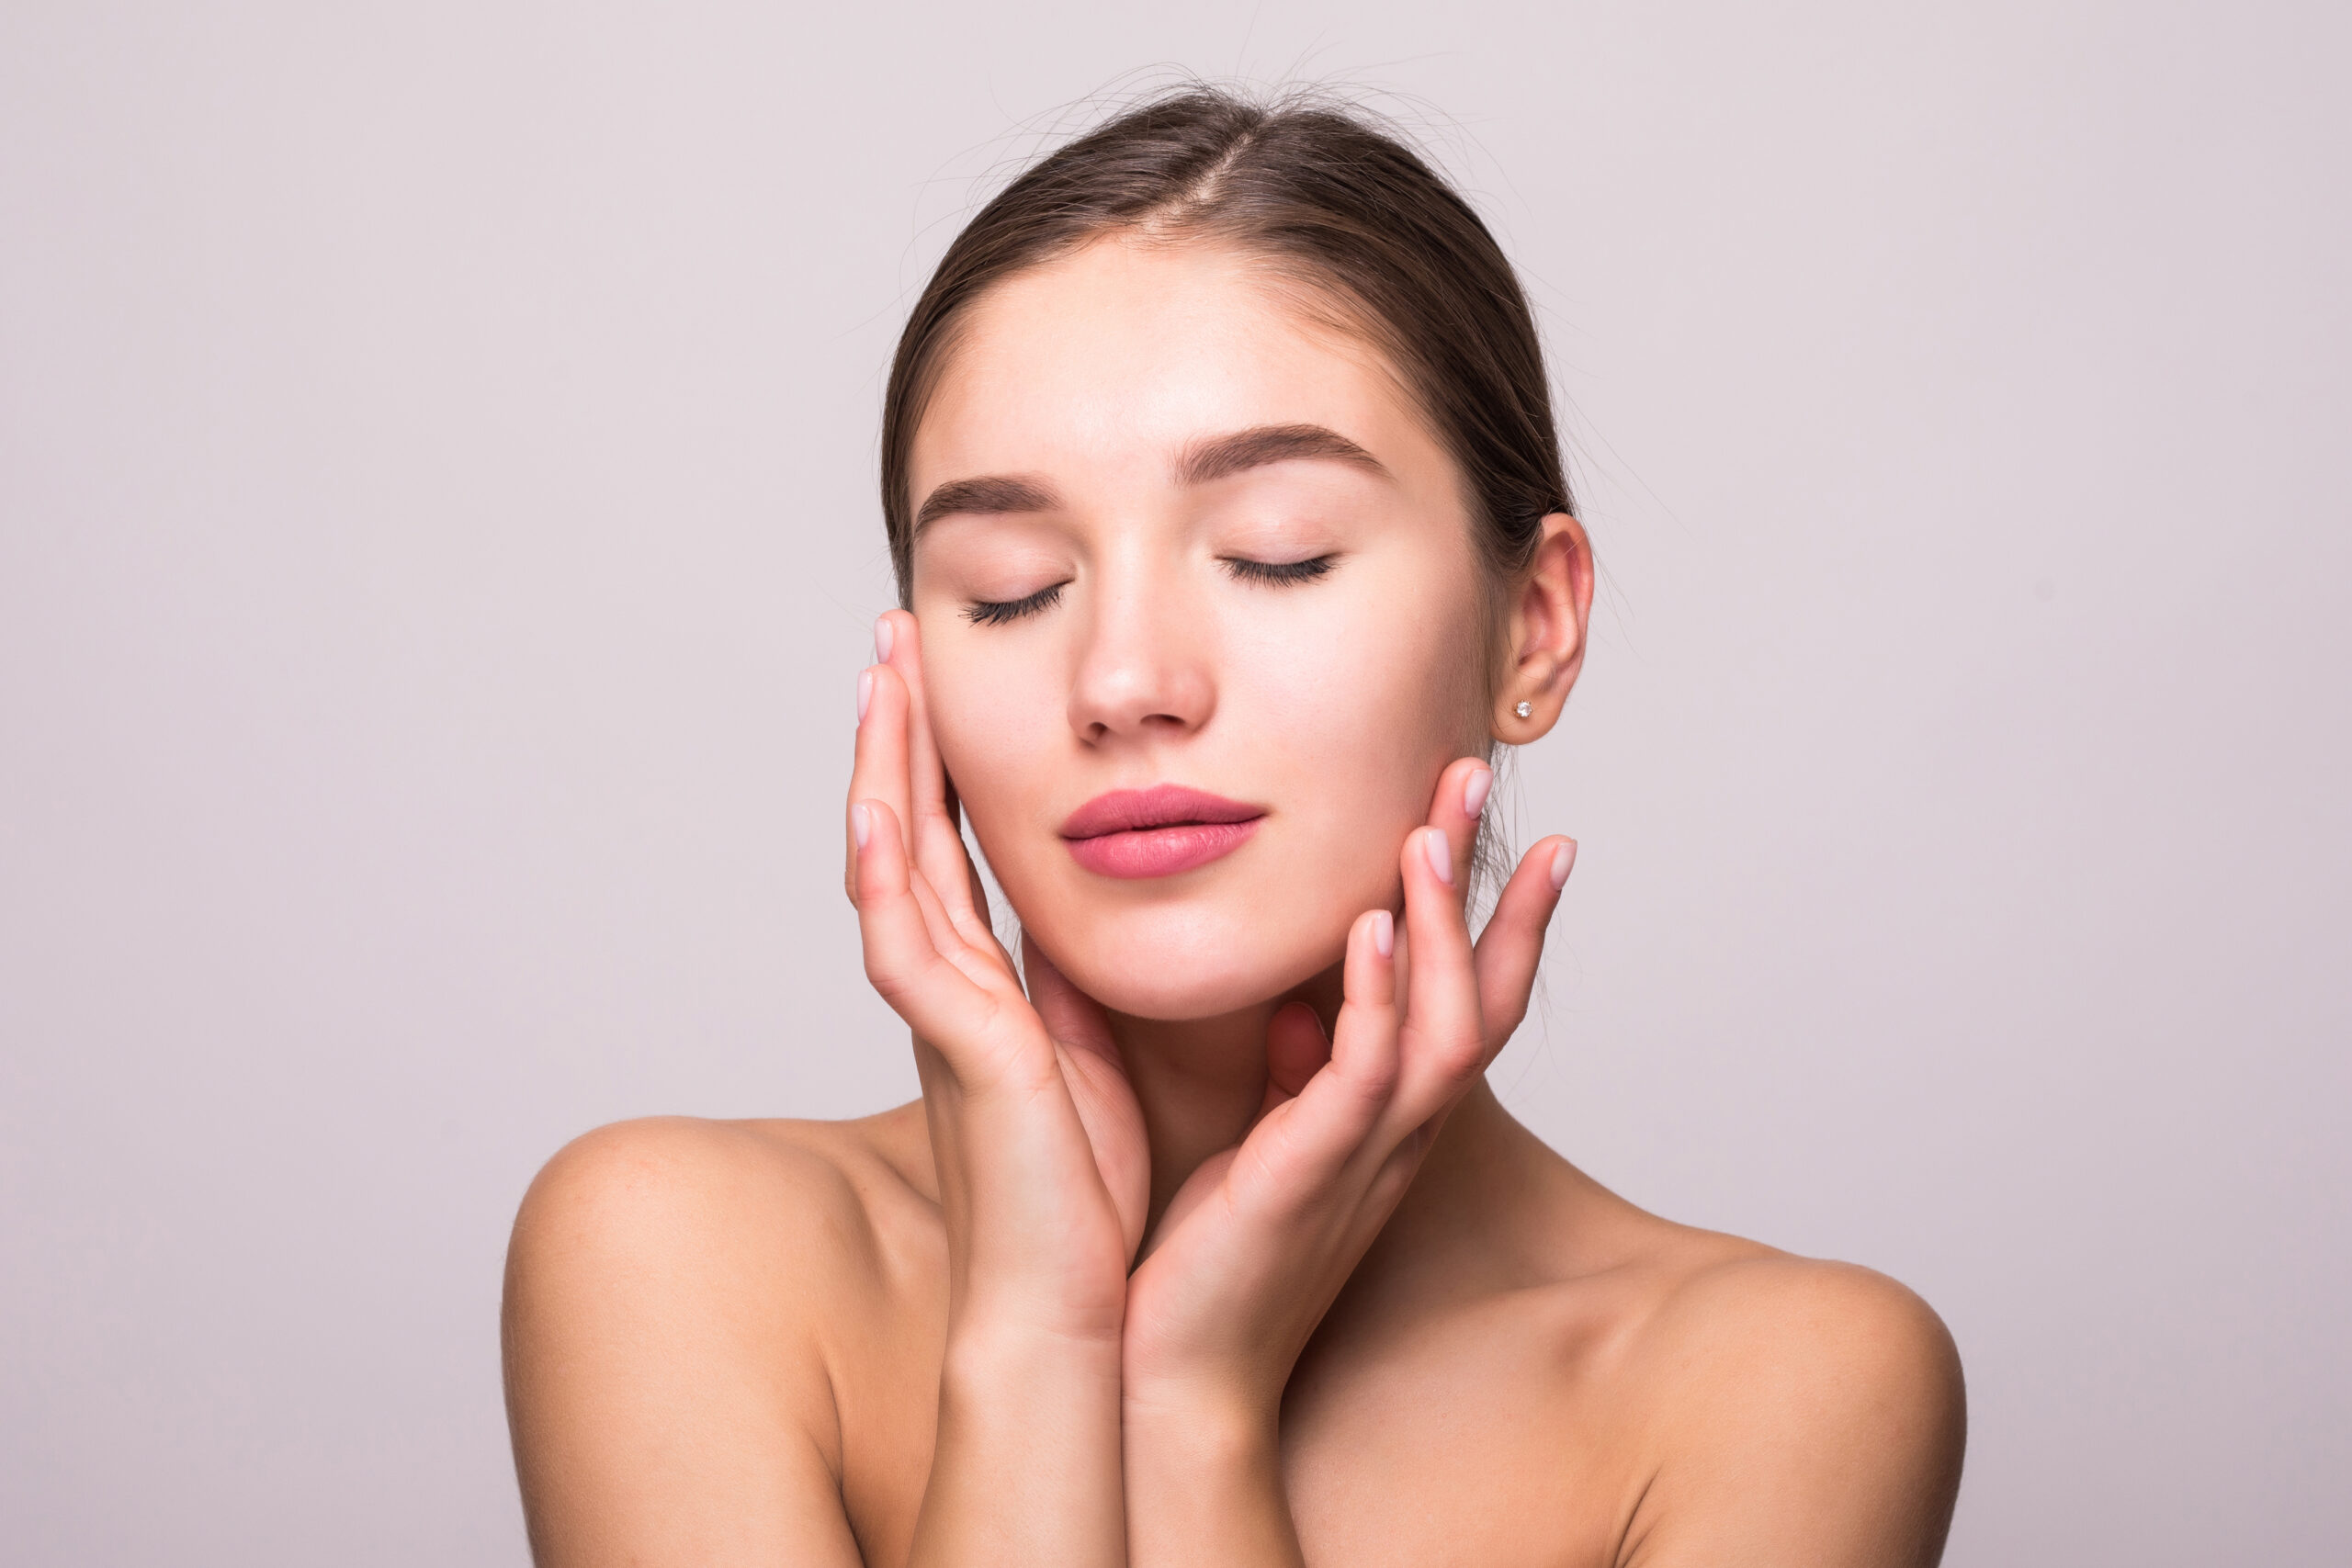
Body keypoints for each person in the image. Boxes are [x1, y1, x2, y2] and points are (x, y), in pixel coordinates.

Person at [500, 86, 1967, 1567]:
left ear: (1534, 626)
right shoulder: (677, 1258)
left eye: (1279, 555)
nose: (1126, 681)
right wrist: (1033, 1337)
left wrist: (1193, 1407)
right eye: (1011, 586)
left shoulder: (1782, 1391)